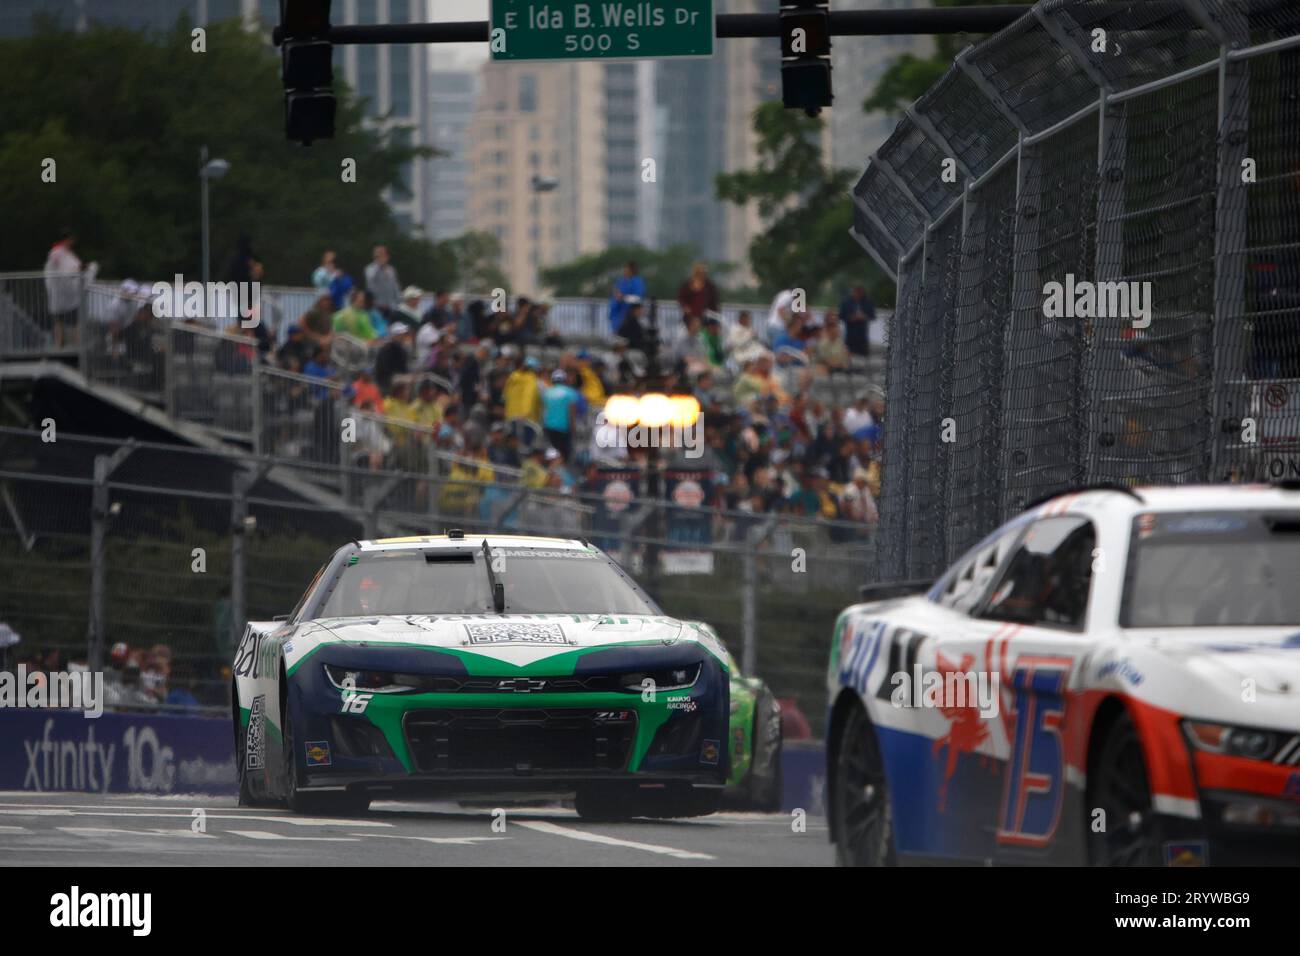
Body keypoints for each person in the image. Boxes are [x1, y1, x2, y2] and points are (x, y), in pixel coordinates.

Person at [43, 229, 84, 348]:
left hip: (69, 293)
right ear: (67, 239)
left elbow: (72, 267)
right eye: (71, 239)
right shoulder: (57, 253)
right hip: (60, 292)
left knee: (74, 321)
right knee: (59, 320)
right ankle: (59, 344)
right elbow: (61, 269)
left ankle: (76, 345)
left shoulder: (67, 253)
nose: (72, 242)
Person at [542, 368, 581, 460]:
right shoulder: (570, 393)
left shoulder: (547, 392)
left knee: (551, 454)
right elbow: (571, 414)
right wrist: (573, 430)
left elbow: (544, 410)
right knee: (564, 455)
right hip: (563, 428)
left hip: (549, 427)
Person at [503, 355, 544, 423]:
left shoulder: (512, 377)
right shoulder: (531, 380)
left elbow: (505, 396)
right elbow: (528, 396)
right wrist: (525, 414)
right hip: (526, 420)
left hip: (510, 417)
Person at [609, 260, 646, 333]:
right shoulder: (621, 282)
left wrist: (623, 297)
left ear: (632, 270)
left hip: (629, 317)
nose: (624, 271)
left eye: (626, 269)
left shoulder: (637, 282)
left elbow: (638, 298)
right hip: (617, 317)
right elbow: (615, 294)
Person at [374, 322, 412, 392]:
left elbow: (404, 368)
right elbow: (384, 370)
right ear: (395, 336)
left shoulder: (402, 350)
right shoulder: (385, 350)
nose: (404, 337)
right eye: (402, 335)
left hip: (397, 378)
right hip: (386, 381)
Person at [839, 285, 875, 357]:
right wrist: (850, 318)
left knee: (863, 357)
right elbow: (841, 316)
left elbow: (872, 316)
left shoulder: (867, 301)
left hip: (862, 335)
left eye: (860, 293)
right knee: (849, 356)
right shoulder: (846, 302)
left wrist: (864, 317)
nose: (857, 295)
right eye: (856, 292)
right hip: (850, 335)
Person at [364, 244, 401, 315]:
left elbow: (396, 287)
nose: (382, 256)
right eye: (379, 254)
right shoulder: (370, 269)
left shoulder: (391, 269)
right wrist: (379, 265)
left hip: (392, 306)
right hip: (377, 306)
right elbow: (371, 283)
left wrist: (399, 302)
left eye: (383, 254)